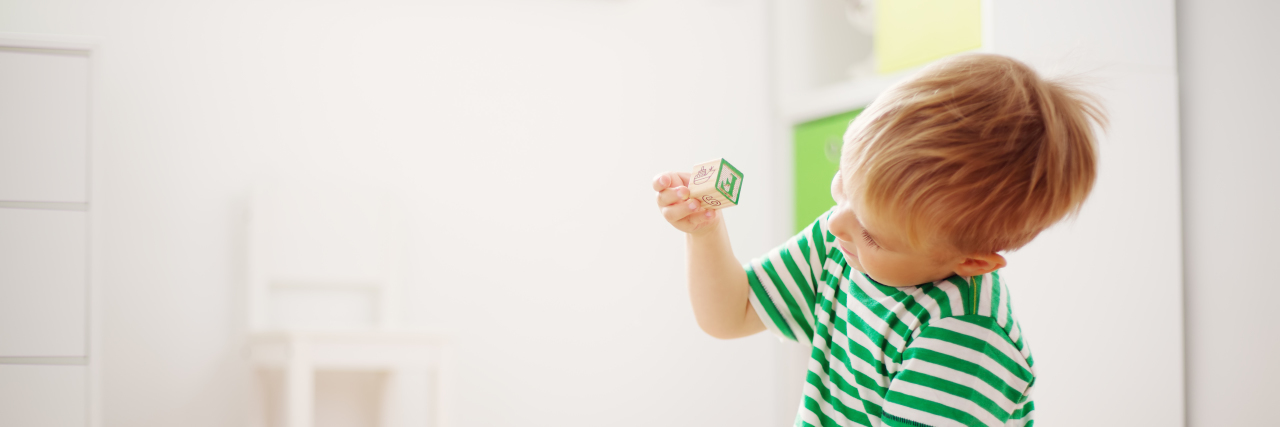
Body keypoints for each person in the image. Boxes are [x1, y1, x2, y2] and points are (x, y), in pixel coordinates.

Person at [651, 53, 1105, 427]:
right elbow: (733, 314)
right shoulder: (846, 245)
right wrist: (705, 234)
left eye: (872, 234)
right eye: (844, 184)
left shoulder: (964, 337)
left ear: (971, 263)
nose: (836, 225)